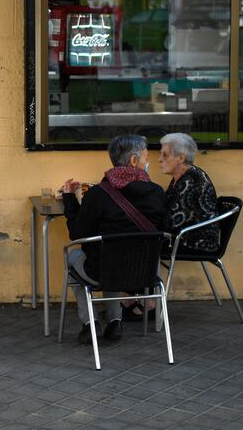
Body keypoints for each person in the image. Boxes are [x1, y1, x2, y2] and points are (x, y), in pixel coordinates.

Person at [56, 134, 167, 345]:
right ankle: (115, 322)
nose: (148, 162)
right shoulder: (157, 193)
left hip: (102, 272)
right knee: (114, 257)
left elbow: (78, 234)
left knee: (76, 256)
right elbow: (165, 229)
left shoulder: (98, 194)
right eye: (146, 158)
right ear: (134, 161)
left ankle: (90, 323)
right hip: (146, 274)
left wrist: (70, 199)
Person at [158, 132, 220, 255]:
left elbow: (170, 221)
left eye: (165, 155)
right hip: (181, 238)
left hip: (197, 243)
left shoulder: (193, 180)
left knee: (141, 243)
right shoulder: (182, 177)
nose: (160, 160)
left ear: (181, 158)